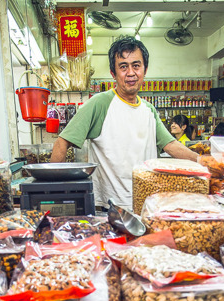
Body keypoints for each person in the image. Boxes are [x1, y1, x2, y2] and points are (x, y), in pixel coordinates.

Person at [50, 36, 199, 209]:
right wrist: (54, 196)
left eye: (136, 66)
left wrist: (205, 162)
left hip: (146, 206)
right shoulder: (100, 104)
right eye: (123, 67)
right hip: (109, 209)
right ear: (113, 73)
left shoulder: (149, 110)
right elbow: (61, 143)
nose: (130, 73)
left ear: (145, 69)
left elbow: (171, 145)